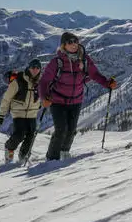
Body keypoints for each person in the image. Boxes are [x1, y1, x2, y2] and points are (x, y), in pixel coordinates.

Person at [38, 32, 117, 161]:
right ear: (63, 45)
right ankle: (51, 158)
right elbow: (44, 81)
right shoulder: (57, 62)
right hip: (57, 101)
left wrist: (107, 83)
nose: (74, 44)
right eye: (70, 42)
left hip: (76, 100)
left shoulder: (84, 60)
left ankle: (64, 153)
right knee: (61, 129)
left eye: (76, 41)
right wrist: (44, 97)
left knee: (71, 130)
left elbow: (95, 74)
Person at [0, 58, 42, 163]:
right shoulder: (19, 80)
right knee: (19, 135)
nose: (35, 70)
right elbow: (6, 99)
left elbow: (43, 96)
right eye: (33, 67)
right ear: (28, 67)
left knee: (31, 137)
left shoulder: (40, 82)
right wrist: (1, 116)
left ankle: (23, 157)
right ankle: (9, 148)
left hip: (32, 114)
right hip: (19, 113)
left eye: (37, 68)